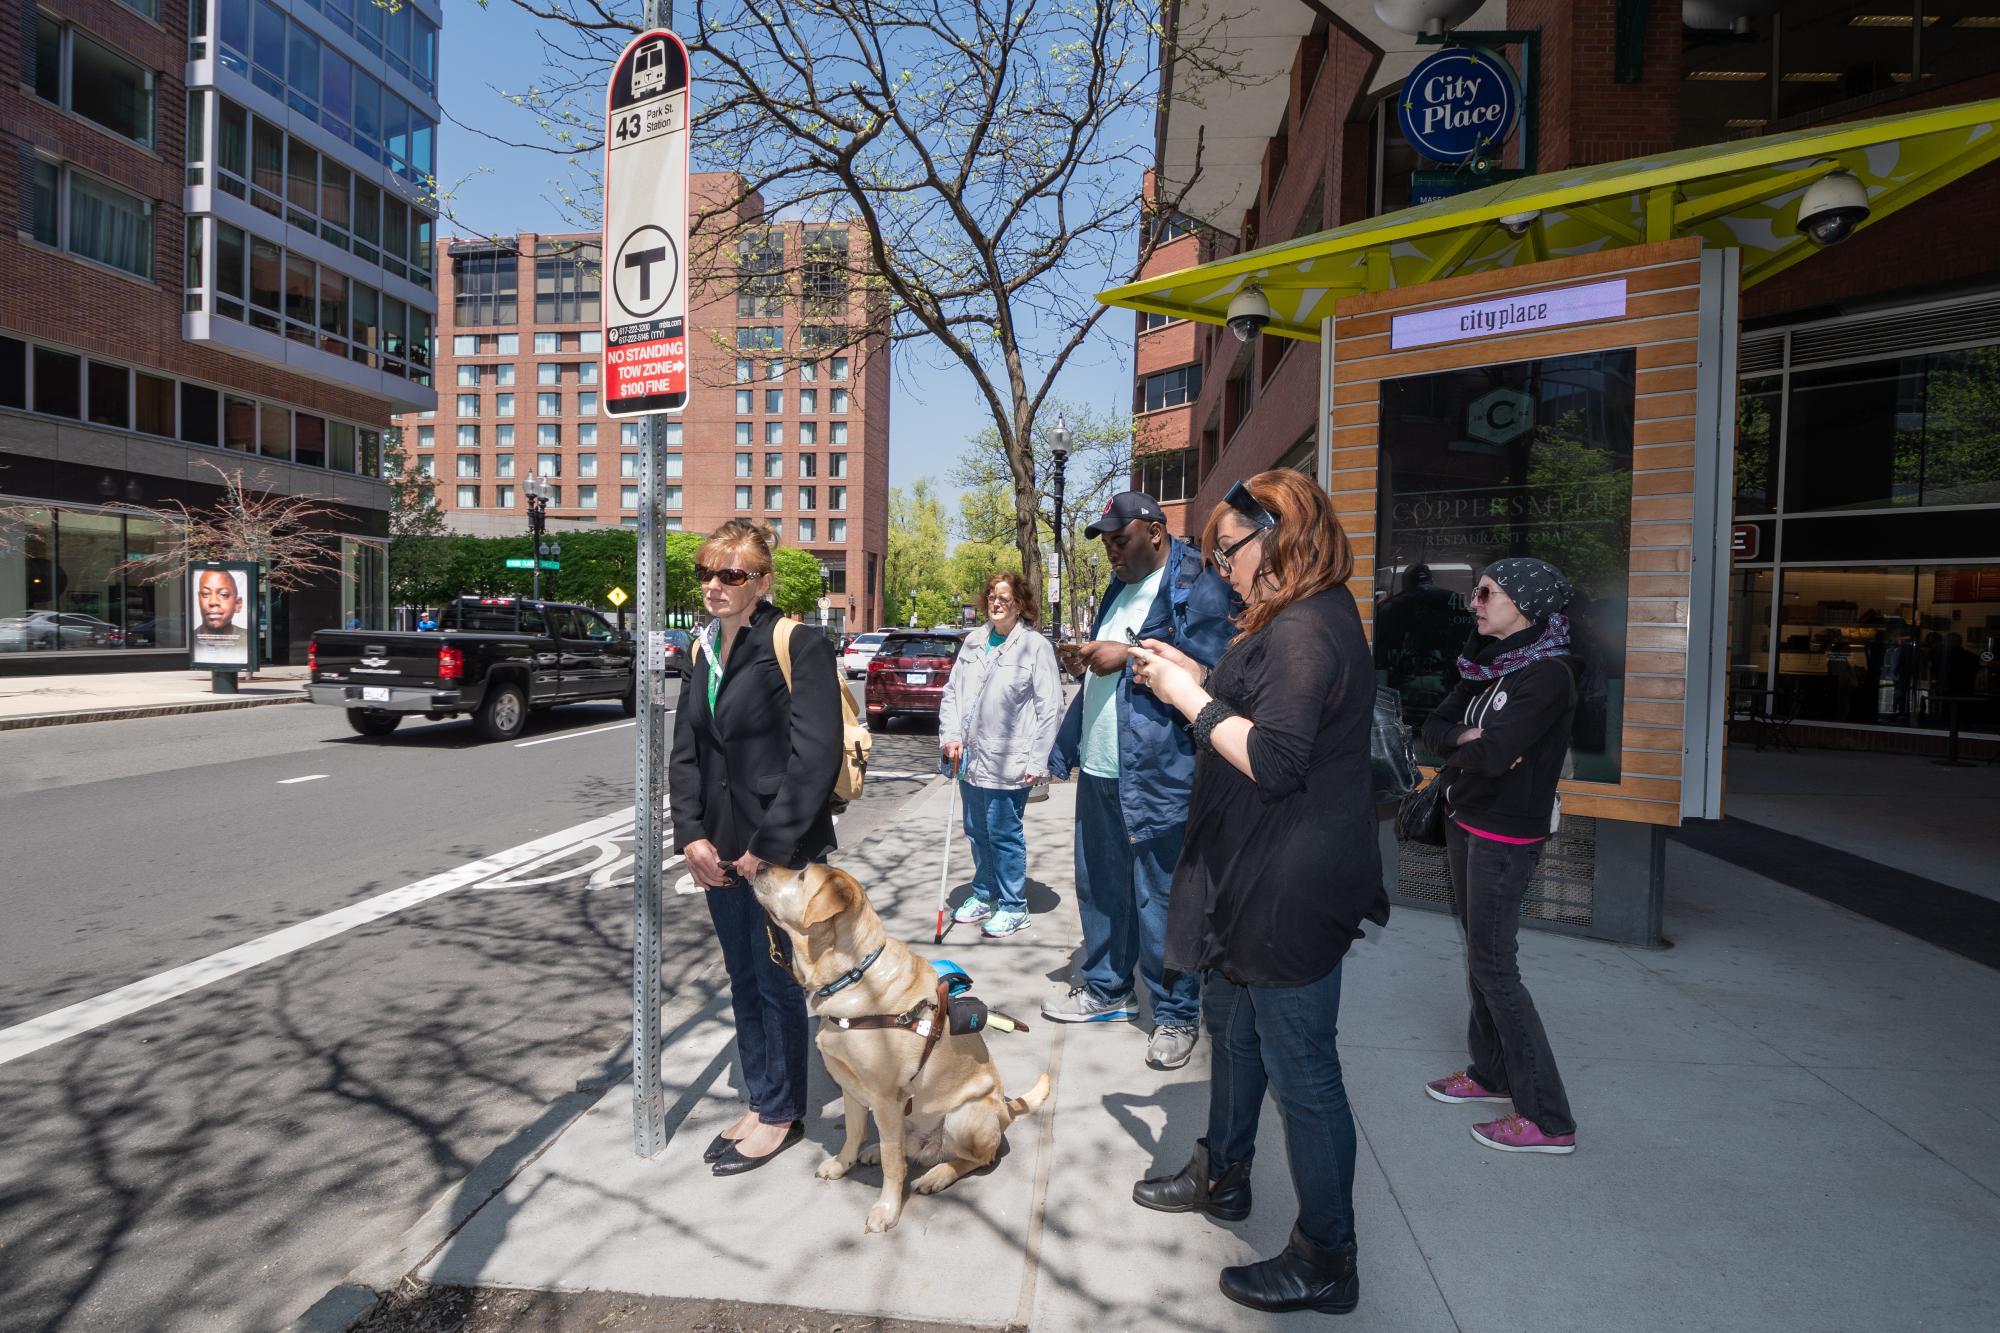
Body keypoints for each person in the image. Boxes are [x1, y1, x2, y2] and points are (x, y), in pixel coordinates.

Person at [1126, 471, 1386, 1316]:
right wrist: (1192, 668)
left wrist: (1188, 698)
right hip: (1249, 877)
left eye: (1228, 550)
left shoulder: (1312, 626)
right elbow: (1267, 707)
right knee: (1233, 1036)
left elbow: (1274, 757)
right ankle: (1225, 1173)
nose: (1218, 568)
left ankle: (1327, 1255)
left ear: (1282, 537)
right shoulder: (1292, 621)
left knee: (1303, 1072)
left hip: (1290, 888)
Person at [669, 519, 842, 1177]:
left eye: (731, 574)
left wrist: (767, 848)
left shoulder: (798, 643)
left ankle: (781, 1111)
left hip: (779, 854)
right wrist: (691, 834)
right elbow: (686, 753)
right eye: (707, 573)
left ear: (761, 581)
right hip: (717, 849)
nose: (714, 585)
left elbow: (814, 754)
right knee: (743, 975)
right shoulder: (700, 649)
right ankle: (761, 1096)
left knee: (776, 980)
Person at [1043, 491, 1236, 1071]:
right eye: (1105, 544)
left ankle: (1177, 1011)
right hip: (1104, 768)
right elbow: (1112, 671)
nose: (1111, 553)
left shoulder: (1200, 583)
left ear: (1155, 531)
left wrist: (1122, 655)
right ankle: (1107, 990)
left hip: (1159, 772)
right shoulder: (1122, 585)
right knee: (1102, 886)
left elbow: (1214, 667)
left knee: (1162, 897)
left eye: (1119, 540)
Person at [1420, 557, 1581, 1156]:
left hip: (1506, 835)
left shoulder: (1549, 676)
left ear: (1526, 605)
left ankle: (1549, 1117)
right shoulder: (1487, 664)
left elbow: (1498, 755)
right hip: (1466, 819)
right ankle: (1489, 1073)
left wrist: (1473, 746)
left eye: (1488, 593)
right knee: (1479, 954)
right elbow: (1432, 730)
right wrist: (1467, 738)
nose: (1475, 603)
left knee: (1495, 967)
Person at [937, 571, 1063, 938]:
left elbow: (1050, 707)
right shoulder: (973, 642)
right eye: (992, 596)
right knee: (976, 831)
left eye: (1004, 598)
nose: (996, 603)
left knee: (1003, 833)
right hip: (970, 759)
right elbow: (952, 694)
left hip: (1012, 760)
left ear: (1020, 604)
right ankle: (984, 893)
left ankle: (1013, 905)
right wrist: (951, 736)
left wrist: (1038, 761)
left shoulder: (1034, 646)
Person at [194, 569, 247, 651]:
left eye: (224, 594)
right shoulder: (189, 639)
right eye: (205, 594)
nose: (213, 602)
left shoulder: (248, 640)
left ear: (237, 604)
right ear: (198, 599)